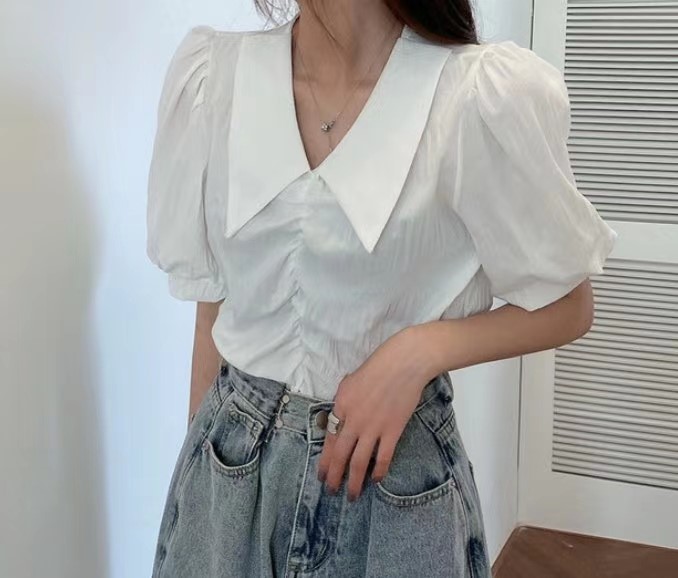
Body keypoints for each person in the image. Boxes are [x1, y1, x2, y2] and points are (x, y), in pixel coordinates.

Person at [146, 1, 618, 576]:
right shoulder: (214, 80)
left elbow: (570, 304)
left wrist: (418, 353)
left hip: (392, 480)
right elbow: (213, 309)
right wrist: (200, 485)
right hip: (228, 472)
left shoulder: (473, 96)